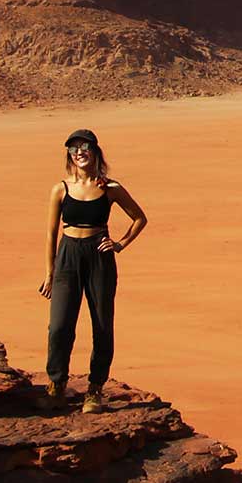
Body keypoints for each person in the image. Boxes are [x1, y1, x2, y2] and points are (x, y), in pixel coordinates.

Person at [38, 128, 148, 412]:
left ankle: (95, 389)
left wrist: (120, 244)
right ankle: (57, 383)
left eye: (85, 147)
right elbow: (51, 234)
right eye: (74, 148)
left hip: (99, 257)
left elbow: (139, 218)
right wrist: (50, 273)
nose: (80, 152)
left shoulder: (110, 188)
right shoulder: (60, 189)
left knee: (101, 324)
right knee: (60, 326)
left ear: (96, 152)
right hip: (68, 256)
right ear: (69, 156)